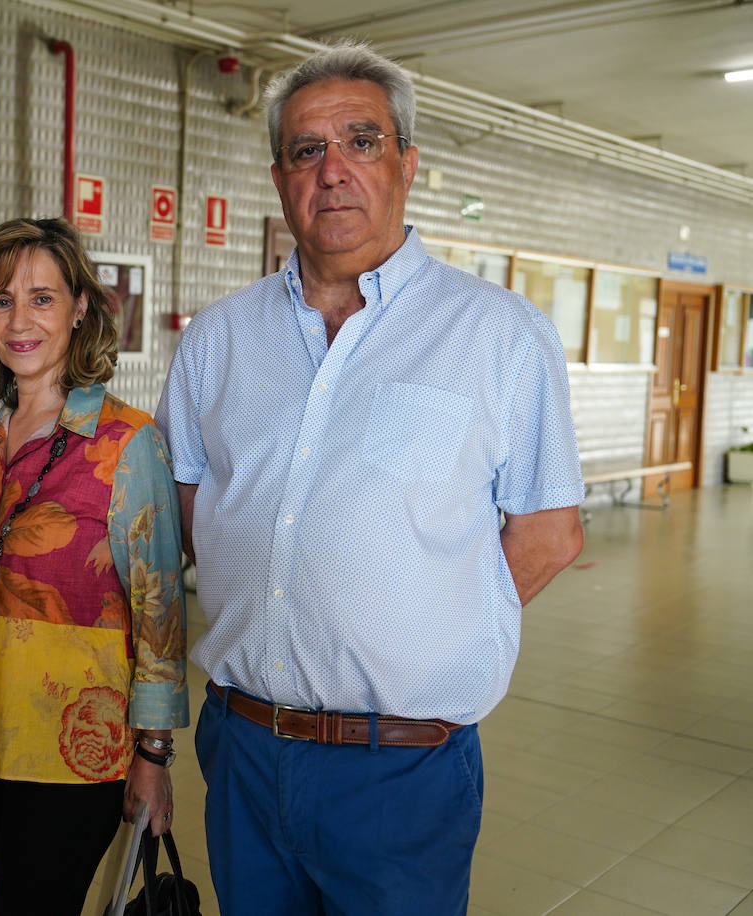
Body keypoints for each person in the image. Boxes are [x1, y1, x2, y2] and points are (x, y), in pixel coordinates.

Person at [155, 40, 586, 915]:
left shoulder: (498, 335)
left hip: (402, 769)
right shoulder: (220, 338)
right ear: (280, 178)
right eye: (309, 150)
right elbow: (194, 503)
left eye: (363, 141)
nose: (335, 171)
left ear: (408, 165)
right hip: (243, 750)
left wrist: (421, 626)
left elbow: (547, 535)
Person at [0, 218, 189, 916]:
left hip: (77, 753)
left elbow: (160, 613)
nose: (21, 320)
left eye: (42, 298)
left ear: (80, 307)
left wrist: (155, 756)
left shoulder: (127, 444)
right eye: (1, 300)